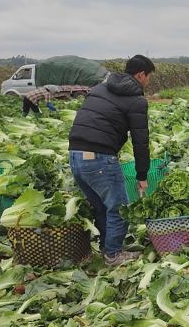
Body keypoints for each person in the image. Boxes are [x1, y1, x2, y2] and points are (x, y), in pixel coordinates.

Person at [67, 55, 154, 266]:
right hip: (99, 158)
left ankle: (108, 248)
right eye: (149, 77)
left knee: (101, 206)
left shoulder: (99, 88)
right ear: (141, 74)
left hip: (75, 154)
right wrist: (142, 175)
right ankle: (114, 255)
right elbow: (140, 141)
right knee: (119, 207)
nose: (148, 82)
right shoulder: (136, 99)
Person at [22, 85, 91, 117]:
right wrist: (54, 109)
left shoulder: (43, 89)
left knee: (25, 109)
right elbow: (48, 104)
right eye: (54, 92)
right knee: (36, 111)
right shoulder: (47, 93)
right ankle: (38, 120)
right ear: (51, 90)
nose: (54, 93)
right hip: (31, 100)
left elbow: (37, 97)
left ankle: (23, 118)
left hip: (26, 97)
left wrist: (38, 103)